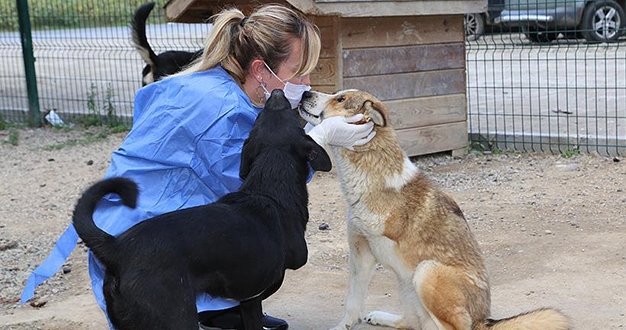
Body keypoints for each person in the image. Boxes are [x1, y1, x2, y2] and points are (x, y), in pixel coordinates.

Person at [20, 4, 375, 330]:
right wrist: (319, 138)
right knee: (267, 235)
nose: (306, 85)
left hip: (140, 230)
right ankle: (197, 301)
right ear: (260, 71)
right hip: (146, 254)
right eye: (298, 74)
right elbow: (262, 182)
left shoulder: (216, 83)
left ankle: (217, 304)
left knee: (251, 231)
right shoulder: (223, 111)